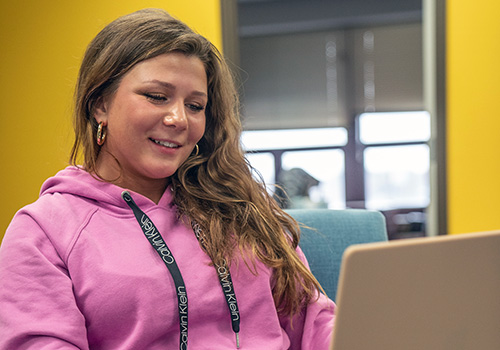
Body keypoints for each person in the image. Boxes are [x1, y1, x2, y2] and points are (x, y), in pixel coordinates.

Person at [0, 8, 335, 349]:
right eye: (157, 97)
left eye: (195, 105)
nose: (179, 119)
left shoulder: (242, 205)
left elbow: (314, 322)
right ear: (100, 104)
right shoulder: (43, 231)